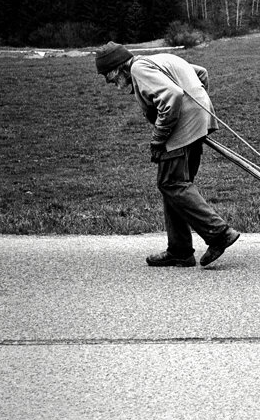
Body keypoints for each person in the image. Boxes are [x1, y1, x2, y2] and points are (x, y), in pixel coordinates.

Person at [95, 42, 240, 268]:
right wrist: (198, 110)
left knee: (171, 183)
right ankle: (180, 250)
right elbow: (201, 73)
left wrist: (158, 138)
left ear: (117, 68)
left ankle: (219, 233)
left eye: (107, 75)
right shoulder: (156, 60)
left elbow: (172, 95)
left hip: (181, 128)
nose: (108, 81)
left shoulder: (138, 69)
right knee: (176, 187)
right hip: (197, 123)